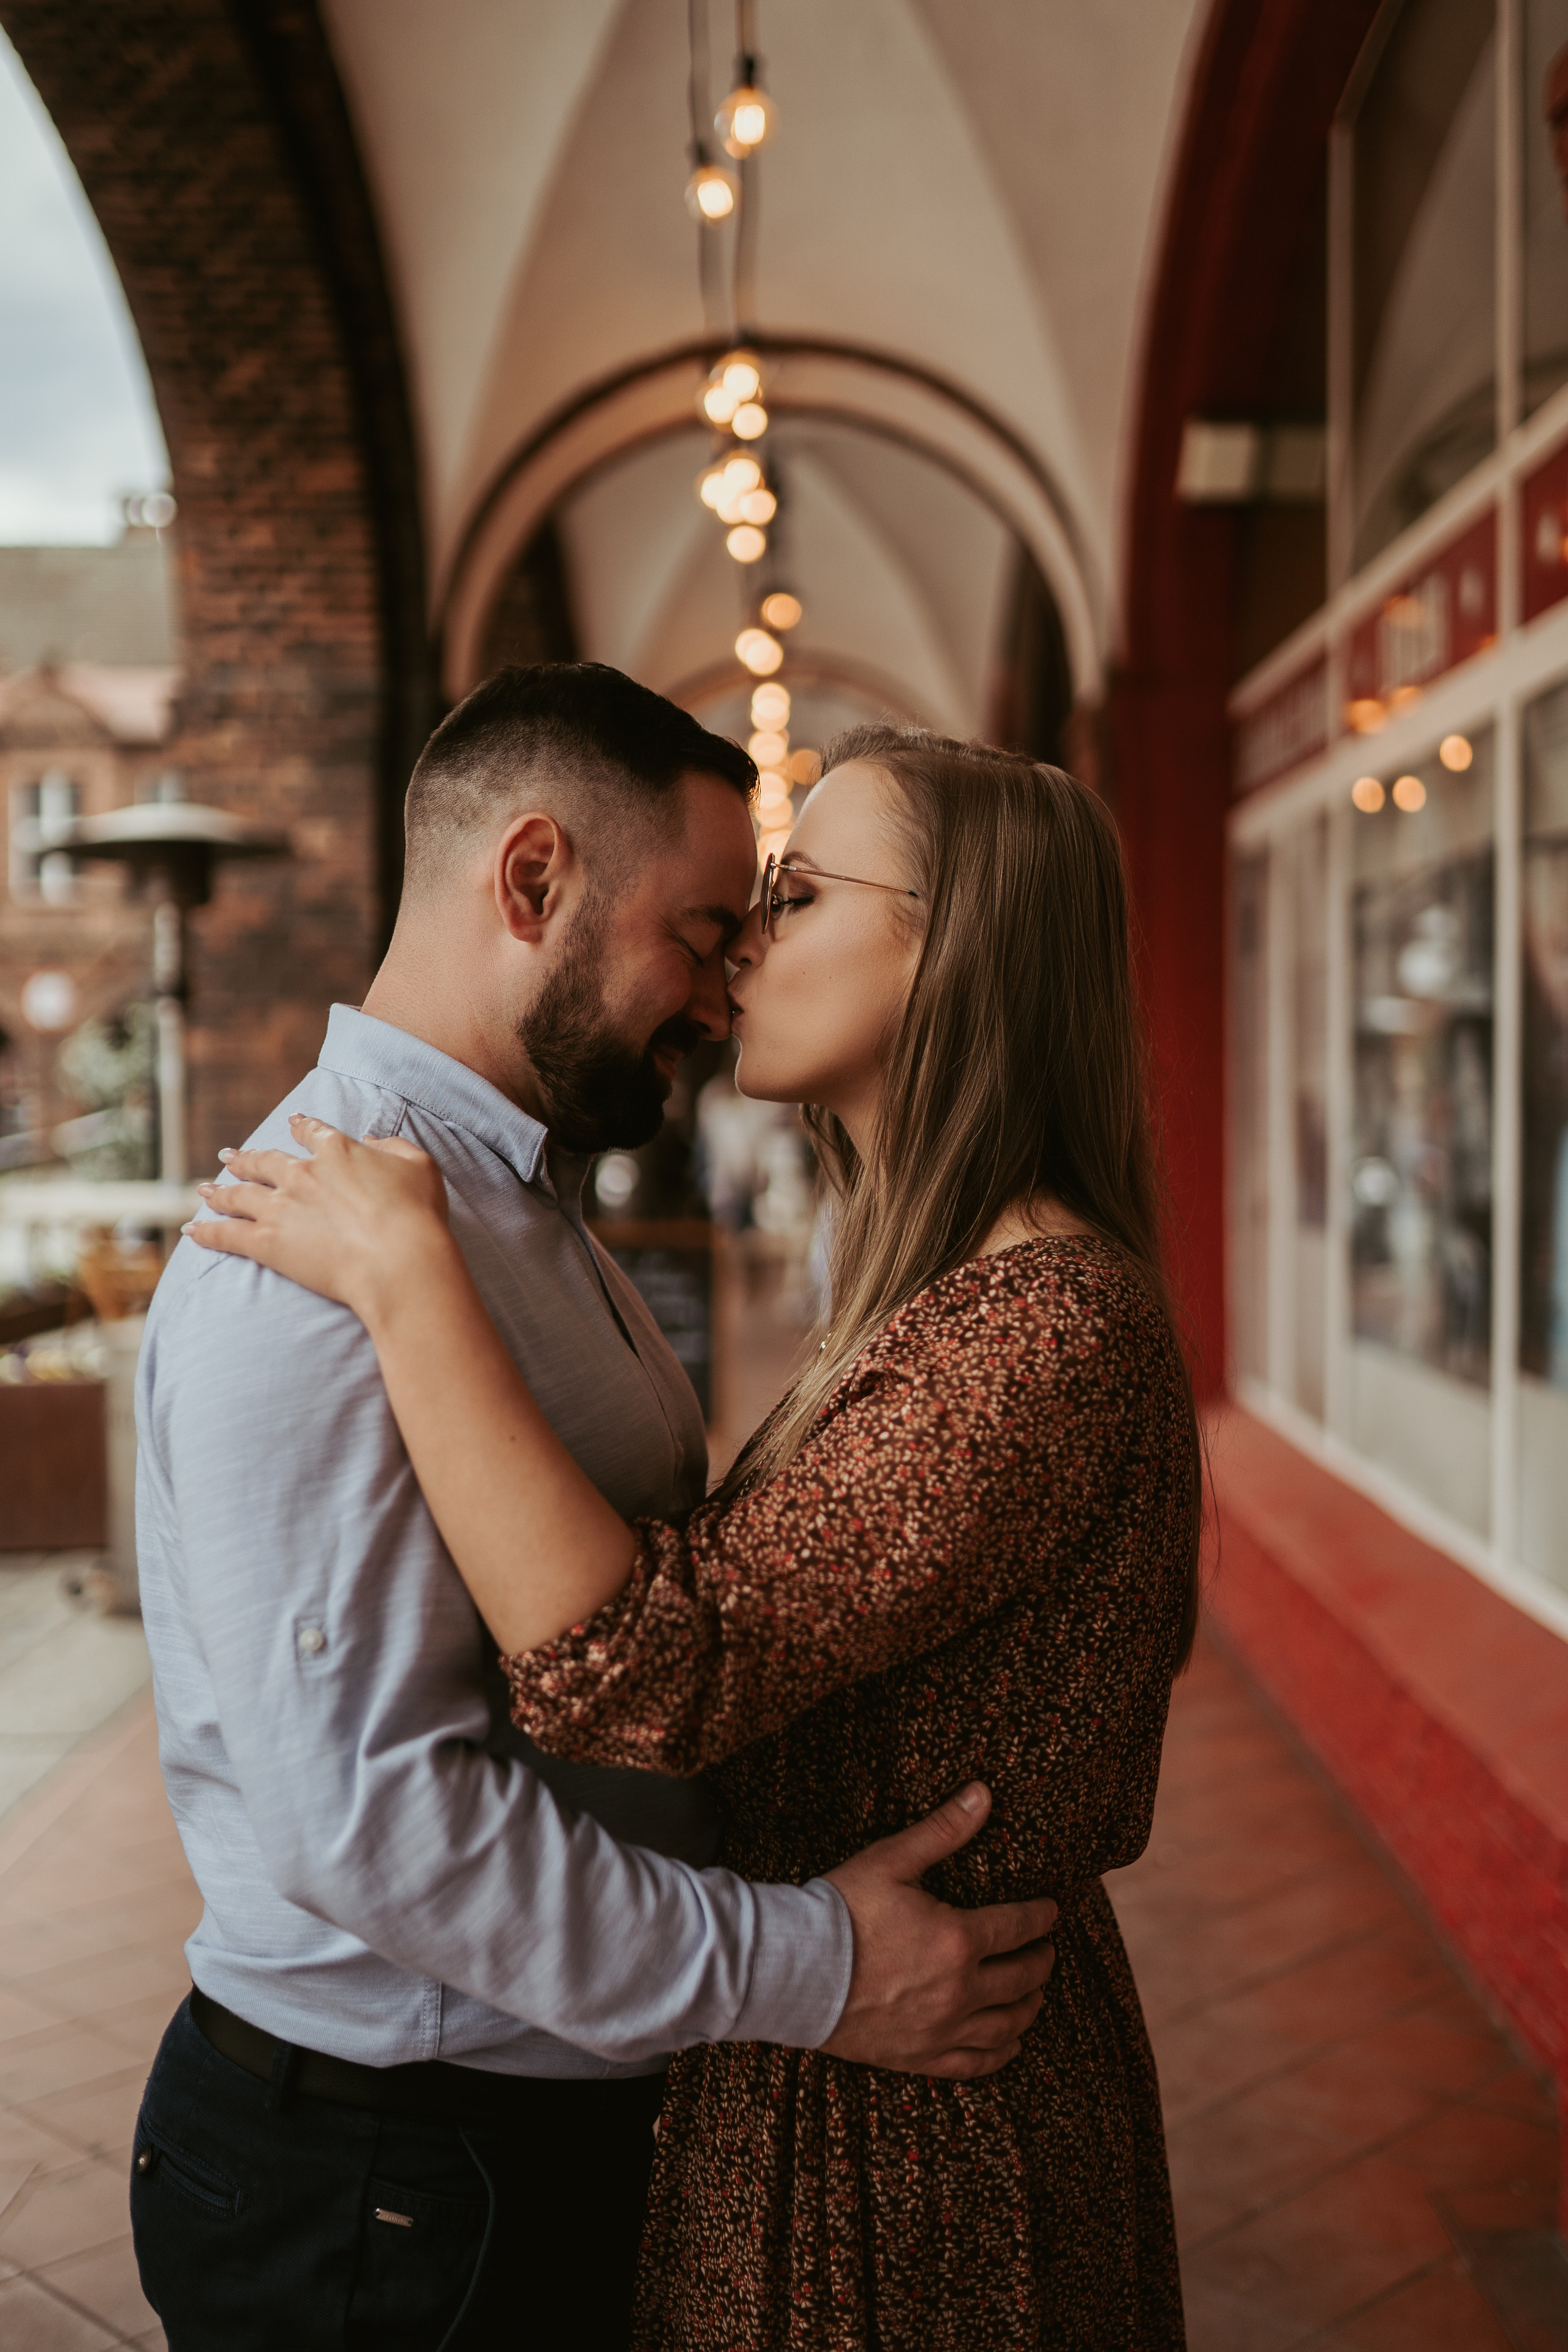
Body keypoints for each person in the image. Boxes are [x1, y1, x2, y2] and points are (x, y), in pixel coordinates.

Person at [193, 720, 1200, 2350]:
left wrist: (409, 1281)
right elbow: (363, 1809)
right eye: (729, 915)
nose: (735, 967)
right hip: (829, 2069)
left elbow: (643, 1673)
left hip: (922, 2116)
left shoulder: (1036, 1328)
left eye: (792, 898)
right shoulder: (932, 1295)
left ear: (960, 956)